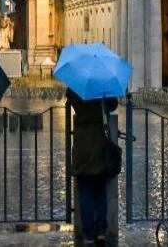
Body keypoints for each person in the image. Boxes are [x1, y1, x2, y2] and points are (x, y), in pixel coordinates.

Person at [67, 89, 117, 246]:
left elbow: (69, 96)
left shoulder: (77, 91)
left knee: (85, 193)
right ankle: (101, 232)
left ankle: (88, 234)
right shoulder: (103, 91)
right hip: (99, 146)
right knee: (100, 192)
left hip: (82, 147)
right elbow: (113, 104)